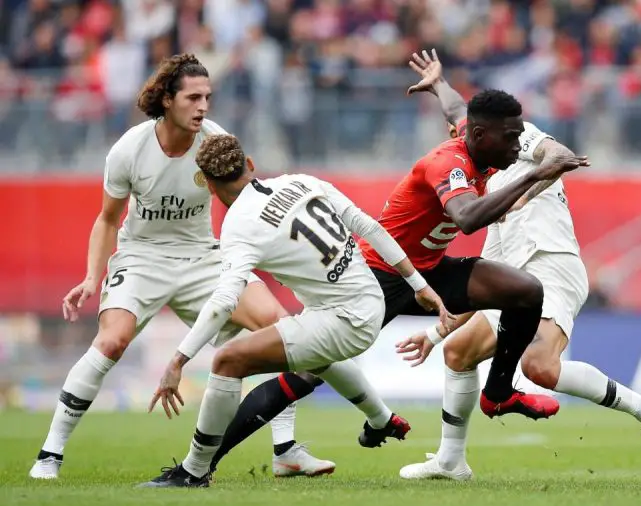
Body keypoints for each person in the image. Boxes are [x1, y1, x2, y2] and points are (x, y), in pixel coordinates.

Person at [189, 64, 590, 476]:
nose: (517, 146)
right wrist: (536, 174)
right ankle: (202, 464)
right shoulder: (448, 165)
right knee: (303, 379)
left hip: (428, 270)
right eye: (510, 137)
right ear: (480, 135)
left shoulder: (478, 140)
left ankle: (499, 393)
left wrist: (439, 84)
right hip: (378, 278)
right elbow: (467, 218)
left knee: (526, 291)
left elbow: (457, 109)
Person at [29, 54, 332, 480]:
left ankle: (285, 451)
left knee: (277, 326)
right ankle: (49, 455)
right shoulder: (129, 150)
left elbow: (250, 204)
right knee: (112, 341)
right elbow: (108, 220)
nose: (203, 106)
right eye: (193, 97)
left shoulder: (215, 142)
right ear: (167, 100)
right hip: (142, 258)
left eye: (207, 97)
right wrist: (92, 277)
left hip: (202, 257)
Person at [396, 50, 641, 481]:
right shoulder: (474, 165)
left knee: (539, 367)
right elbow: (458, 111)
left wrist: (526, 195)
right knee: (458, 353)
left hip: (552, 263)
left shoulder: (518, 138)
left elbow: (558, 153)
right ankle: (451, 461)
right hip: (517, 280)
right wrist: (436, 335)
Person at [140, 134, 453, 487]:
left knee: (228, 361)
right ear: (250, 165)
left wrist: (178, 360)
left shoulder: (239, 226)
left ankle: (193, 471)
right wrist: (419, 285)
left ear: (211, 187)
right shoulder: (300, 181)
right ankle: (378, 420)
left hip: (345, 319)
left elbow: (225, 300)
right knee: (313, 353)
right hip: (368, 301)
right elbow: (368, 226)